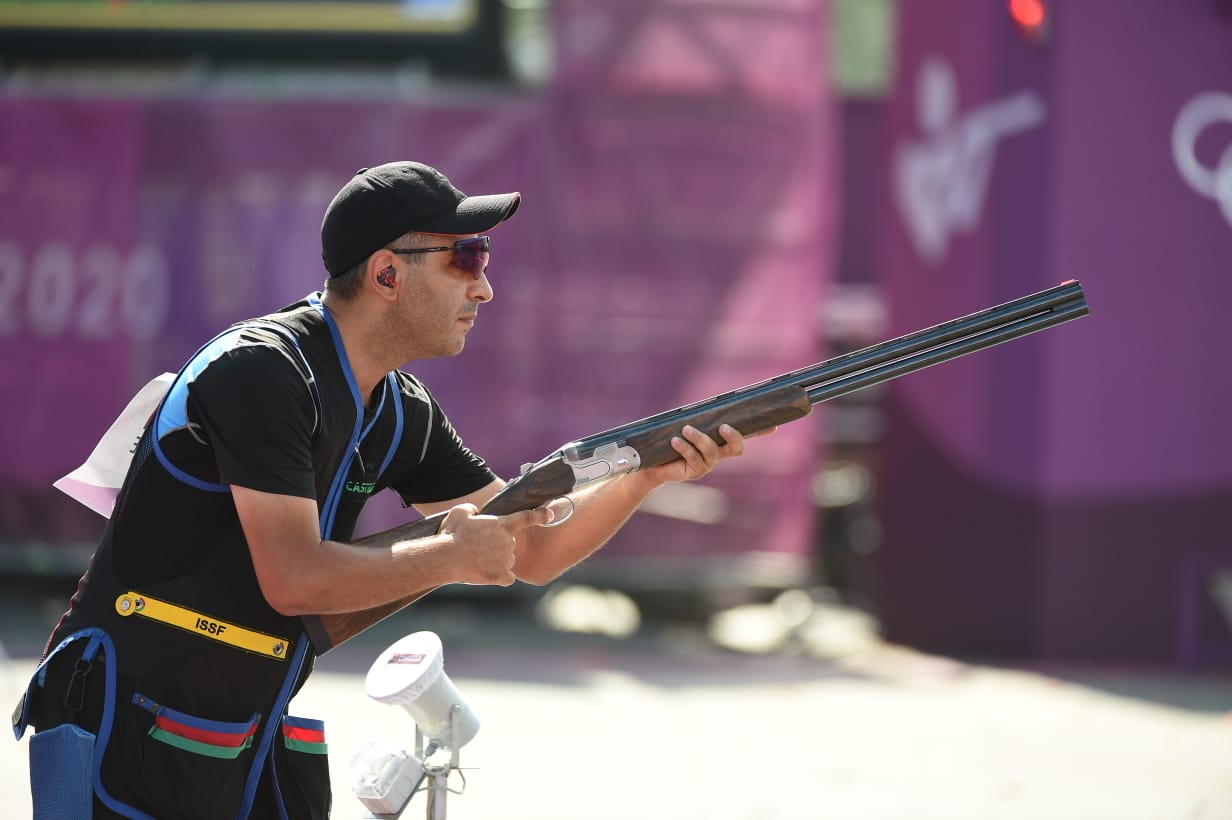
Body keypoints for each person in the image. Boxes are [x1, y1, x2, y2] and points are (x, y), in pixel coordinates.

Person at [13, 161, 759, 819]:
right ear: (387, 274)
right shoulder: (264, 371)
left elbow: (528, 552)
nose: (486, 285)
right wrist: (449, 557)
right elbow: (294, 577)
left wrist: (647, 474)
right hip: (123, 720)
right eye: (466, 257)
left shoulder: (399, 407)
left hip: (234, 727)